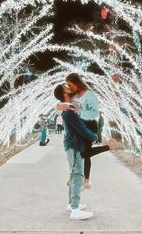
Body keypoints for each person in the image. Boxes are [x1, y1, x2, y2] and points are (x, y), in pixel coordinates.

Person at [59, 73, 121, 190]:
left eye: (70, 85)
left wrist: (79, 113)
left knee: (83, 153)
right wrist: (58, 107)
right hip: (79, 125)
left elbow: (95, 113)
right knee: (81, 152)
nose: (69, 88)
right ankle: (84, 179)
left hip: (89, 125)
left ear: (77, 83)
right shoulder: (74, 95)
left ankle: (81, 178)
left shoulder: (89, 95)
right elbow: (63, 102)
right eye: (67, 86)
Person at [54, 84, 97, 220]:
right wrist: (94, 137)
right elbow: (81, 127)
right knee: (78, 174)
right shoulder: (68, 111)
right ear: (64, 94)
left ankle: (71, 204)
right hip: (74, 144)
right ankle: (75, 209)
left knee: (74, 174)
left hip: (73, 143)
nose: (70, 89)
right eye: (67, 88)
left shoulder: (68, 108)